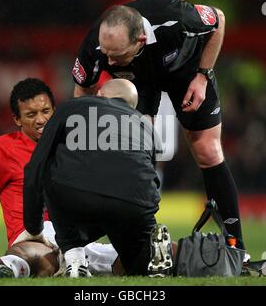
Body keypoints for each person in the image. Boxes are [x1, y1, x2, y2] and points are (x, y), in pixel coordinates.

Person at [72, 0, 247, 253]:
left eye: (116, 55)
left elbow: (218, 19)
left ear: (140, 40)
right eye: (106, 53)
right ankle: (139, 244)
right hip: (138, 81)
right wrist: (87, 140)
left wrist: (202, 75)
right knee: (136, 153)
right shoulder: (97, 44)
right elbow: (82, 91)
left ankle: (236, 248)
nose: (108, 62)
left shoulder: (176, 18)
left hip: (185, 71)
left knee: (208, 151)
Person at [0, 78, 120, 278]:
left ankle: (162, 255)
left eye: (45, 111)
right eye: (31, 114)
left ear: (55, 110)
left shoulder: (72, 144)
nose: (41, 120)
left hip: (74, 239)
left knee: (129, 260)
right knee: (34, 258)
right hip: (31, 237)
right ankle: (5, 267)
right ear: (17, 119)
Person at [23, 78, 173, 277]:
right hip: (134, 205)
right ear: (131, 106)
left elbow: (36, 166)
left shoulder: (71, 107)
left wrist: (33, 226)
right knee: (134, 264)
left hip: (77, 199)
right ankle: (150, 257)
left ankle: (74, 256)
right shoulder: (147, 126)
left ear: (100, 94)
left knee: (52, 161)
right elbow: (150, 178)